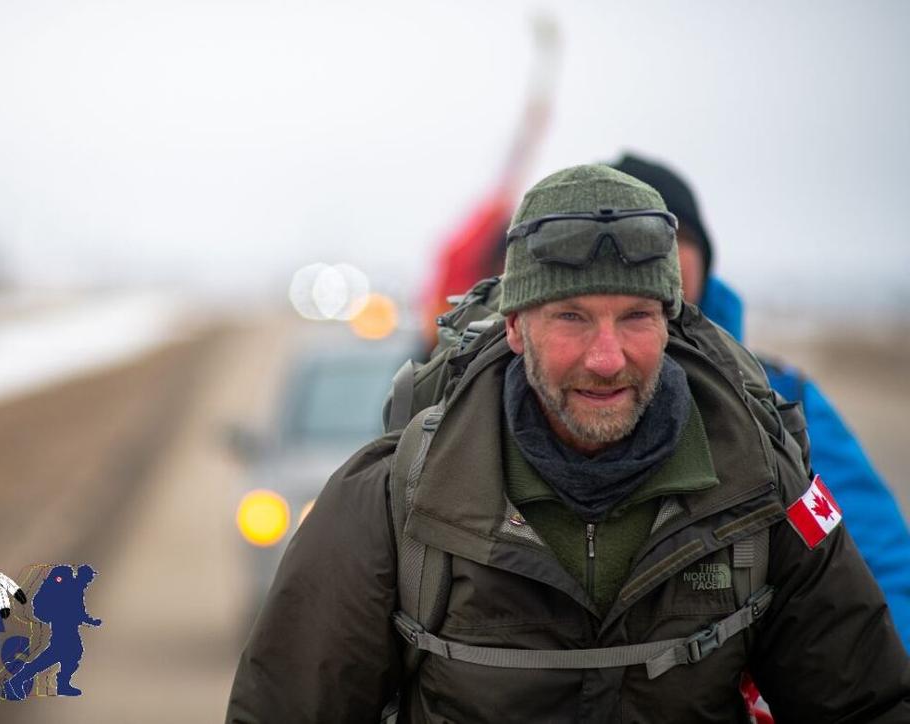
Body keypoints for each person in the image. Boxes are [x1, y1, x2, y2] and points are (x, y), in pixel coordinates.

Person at [227, 165, 910, 722]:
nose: (607, 358)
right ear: (515, 327)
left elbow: (868, 702)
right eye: (572, 317)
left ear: (670, 323)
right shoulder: (395, 498)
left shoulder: (762, 485)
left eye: (635, 316)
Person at [611, 152, 910, 651]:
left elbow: (878, 557)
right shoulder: (539, 398)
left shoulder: (782, 399)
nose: (656, 255)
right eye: (631, 236)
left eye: (675, 235)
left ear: (704, 257)